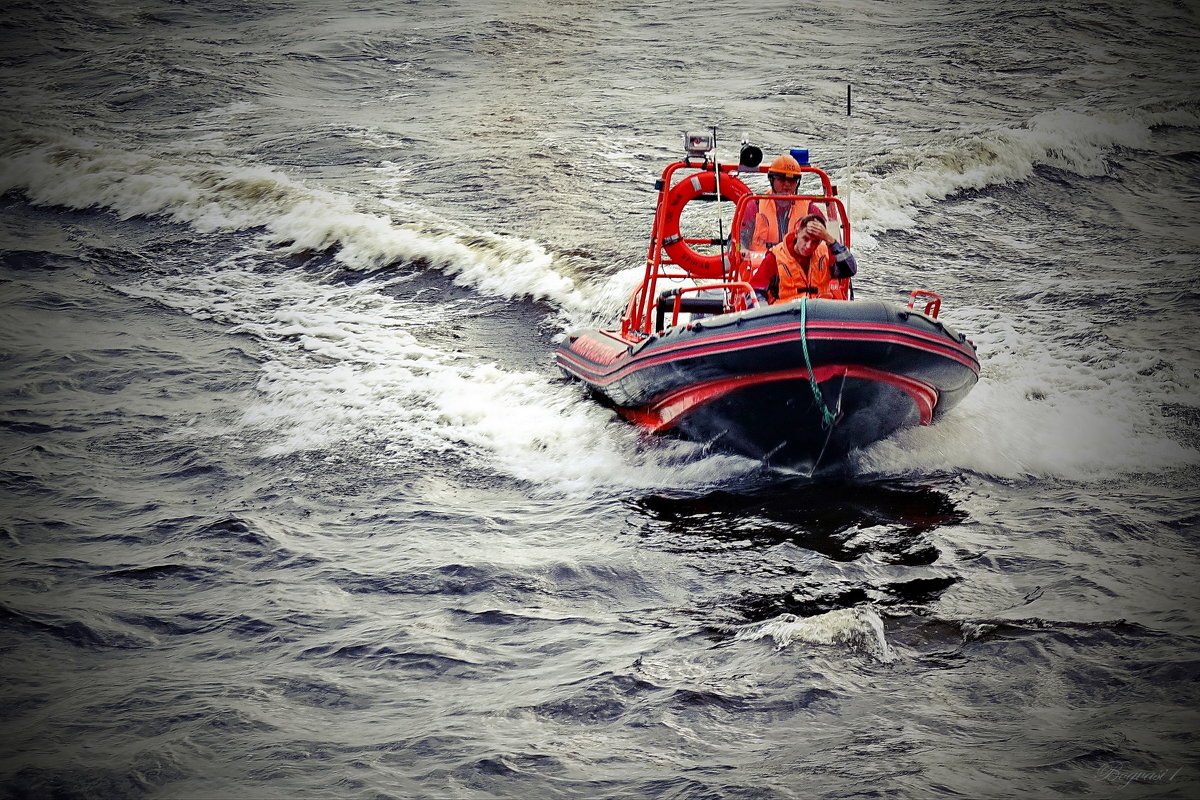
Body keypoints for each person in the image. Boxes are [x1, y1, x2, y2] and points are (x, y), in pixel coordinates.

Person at [751, 214, 856, 302]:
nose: (808, 246)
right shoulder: (775, 257)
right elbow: (755, 290)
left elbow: (850, 270)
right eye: (805, 238)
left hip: (820, 314)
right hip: (787, 317)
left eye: (815, 241)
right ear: (797, 233)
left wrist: (830, 240)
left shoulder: (826, 254)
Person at [739, 153, 824, 253]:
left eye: (792, 180)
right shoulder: (755, 206)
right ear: (772, 179)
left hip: (796, 265)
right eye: (782, 179)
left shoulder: (810, 209)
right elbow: (737, 238)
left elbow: (829, 238)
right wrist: (742, 250)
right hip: (760, 265)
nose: (787, 184)